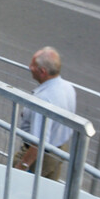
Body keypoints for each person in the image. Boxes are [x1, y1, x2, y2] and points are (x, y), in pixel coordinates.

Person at [14, 47, 76, 181]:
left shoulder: (43, 99)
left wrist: (22, 165)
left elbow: (38, 142)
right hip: (58, 151)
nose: (29, 67)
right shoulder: (67, 87)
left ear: (42, 72)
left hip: (40, 158)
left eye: (33, 65)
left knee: (19, 189)